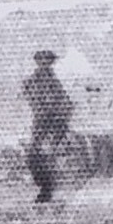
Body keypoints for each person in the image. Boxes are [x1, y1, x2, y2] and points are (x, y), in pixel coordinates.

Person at [22, 50, 72, 203]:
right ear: (37, 62)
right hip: (41, 121)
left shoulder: (55, 82)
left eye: (49, 61)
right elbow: (30, 97)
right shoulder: (31, 81)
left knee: (53, 154)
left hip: (56, 122)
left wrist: (62, 113)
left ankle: (48, 189)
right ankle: (46, 186)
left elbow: (66, 103)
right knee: (34, 154)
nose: (46, 64)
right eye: (42, 60)